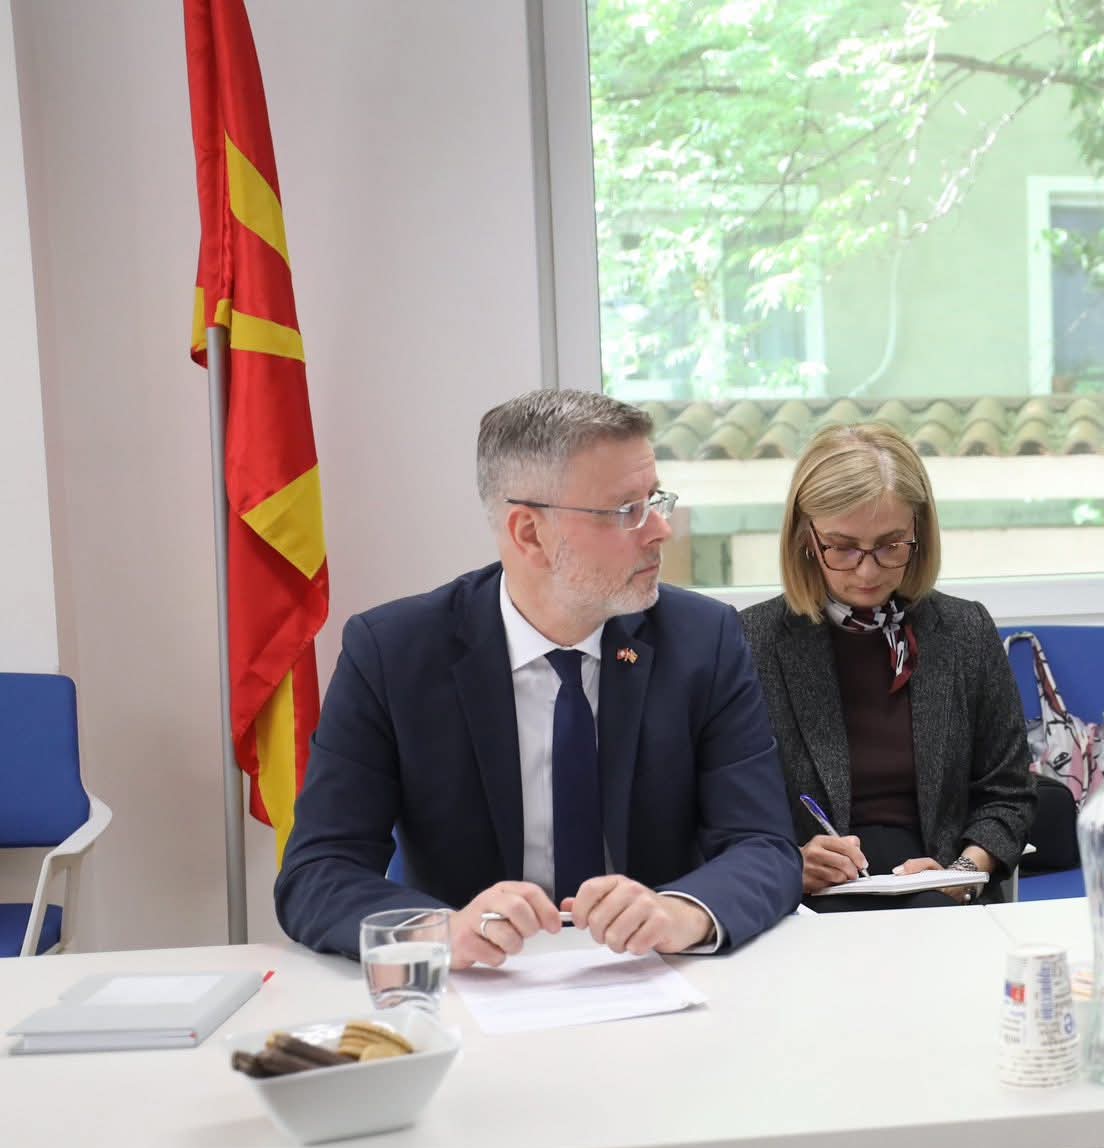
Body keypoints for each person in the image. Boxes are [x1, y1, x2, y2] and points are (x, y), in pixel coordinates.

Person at [277, 388, 802, 965]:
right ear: (529, 533)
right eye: (626, 510)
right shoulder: (393, 653)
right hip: (479, 985)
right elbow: (318, 871)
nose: (660, 530)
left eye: (655, 500)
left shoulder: (704, 640)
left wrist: (682, 912)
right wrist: (438, 933)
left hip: (649, 975)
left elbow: (763, 845)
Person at [740, 422, 1033, 1148]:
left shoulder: (963, 632)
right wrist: (789, 860)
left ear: (920, 535)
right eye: (842, 548)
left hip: (937, 905)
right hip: (811, 913)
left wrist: (966, 866)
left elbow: (1010, 793)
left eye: (889, 547)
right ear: (804, 537)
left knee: (915, 1029)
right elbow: (718, 811)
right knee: (869, 1034)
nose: (867, 571)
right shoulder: (752, 641)